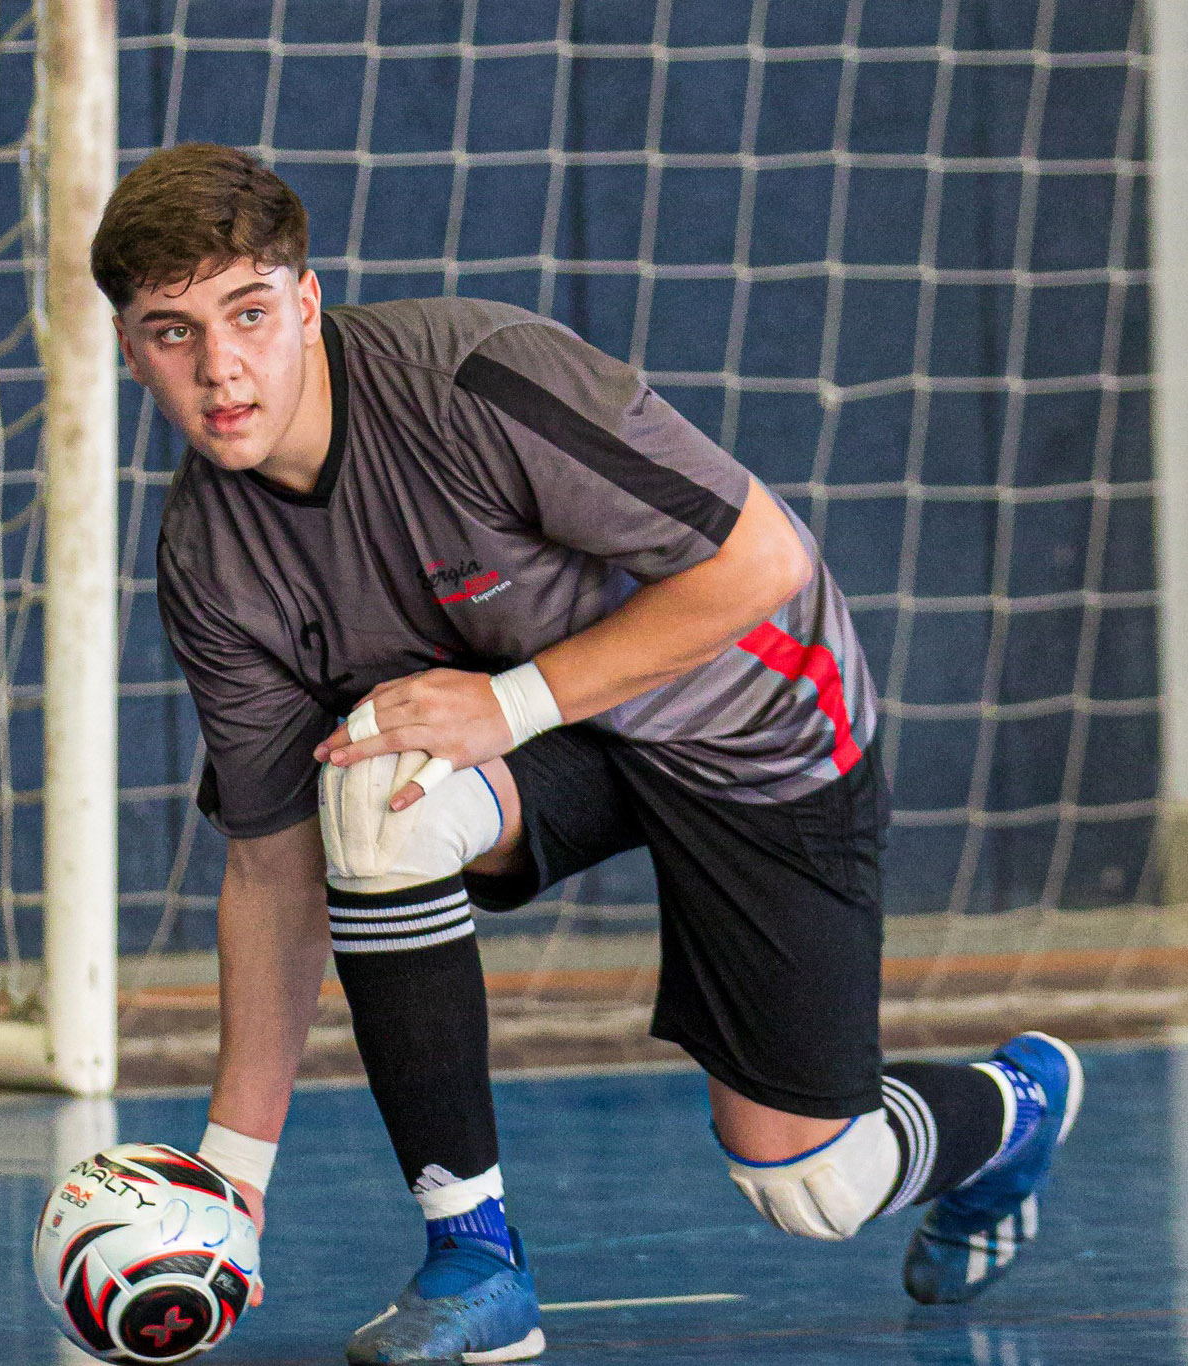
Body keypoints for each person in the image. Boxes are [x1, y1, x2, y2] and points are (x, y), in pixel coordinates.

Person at [91, 142, 1084, 1365]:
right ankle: (476, 1262)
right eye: (174, 332)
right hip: (555, 737)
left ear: (305, 302)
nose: (219, 366)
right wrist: (228, 1180)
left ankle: (1018, 1104)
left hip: (746, 722)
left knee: (811, 1184)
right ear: (130, 351)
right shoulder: (209, 556)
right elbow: (270, 865)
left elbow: (764, 560)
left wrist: (508, 706)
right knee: (374, 793)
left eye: (247, 313)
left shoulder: (471, 379)